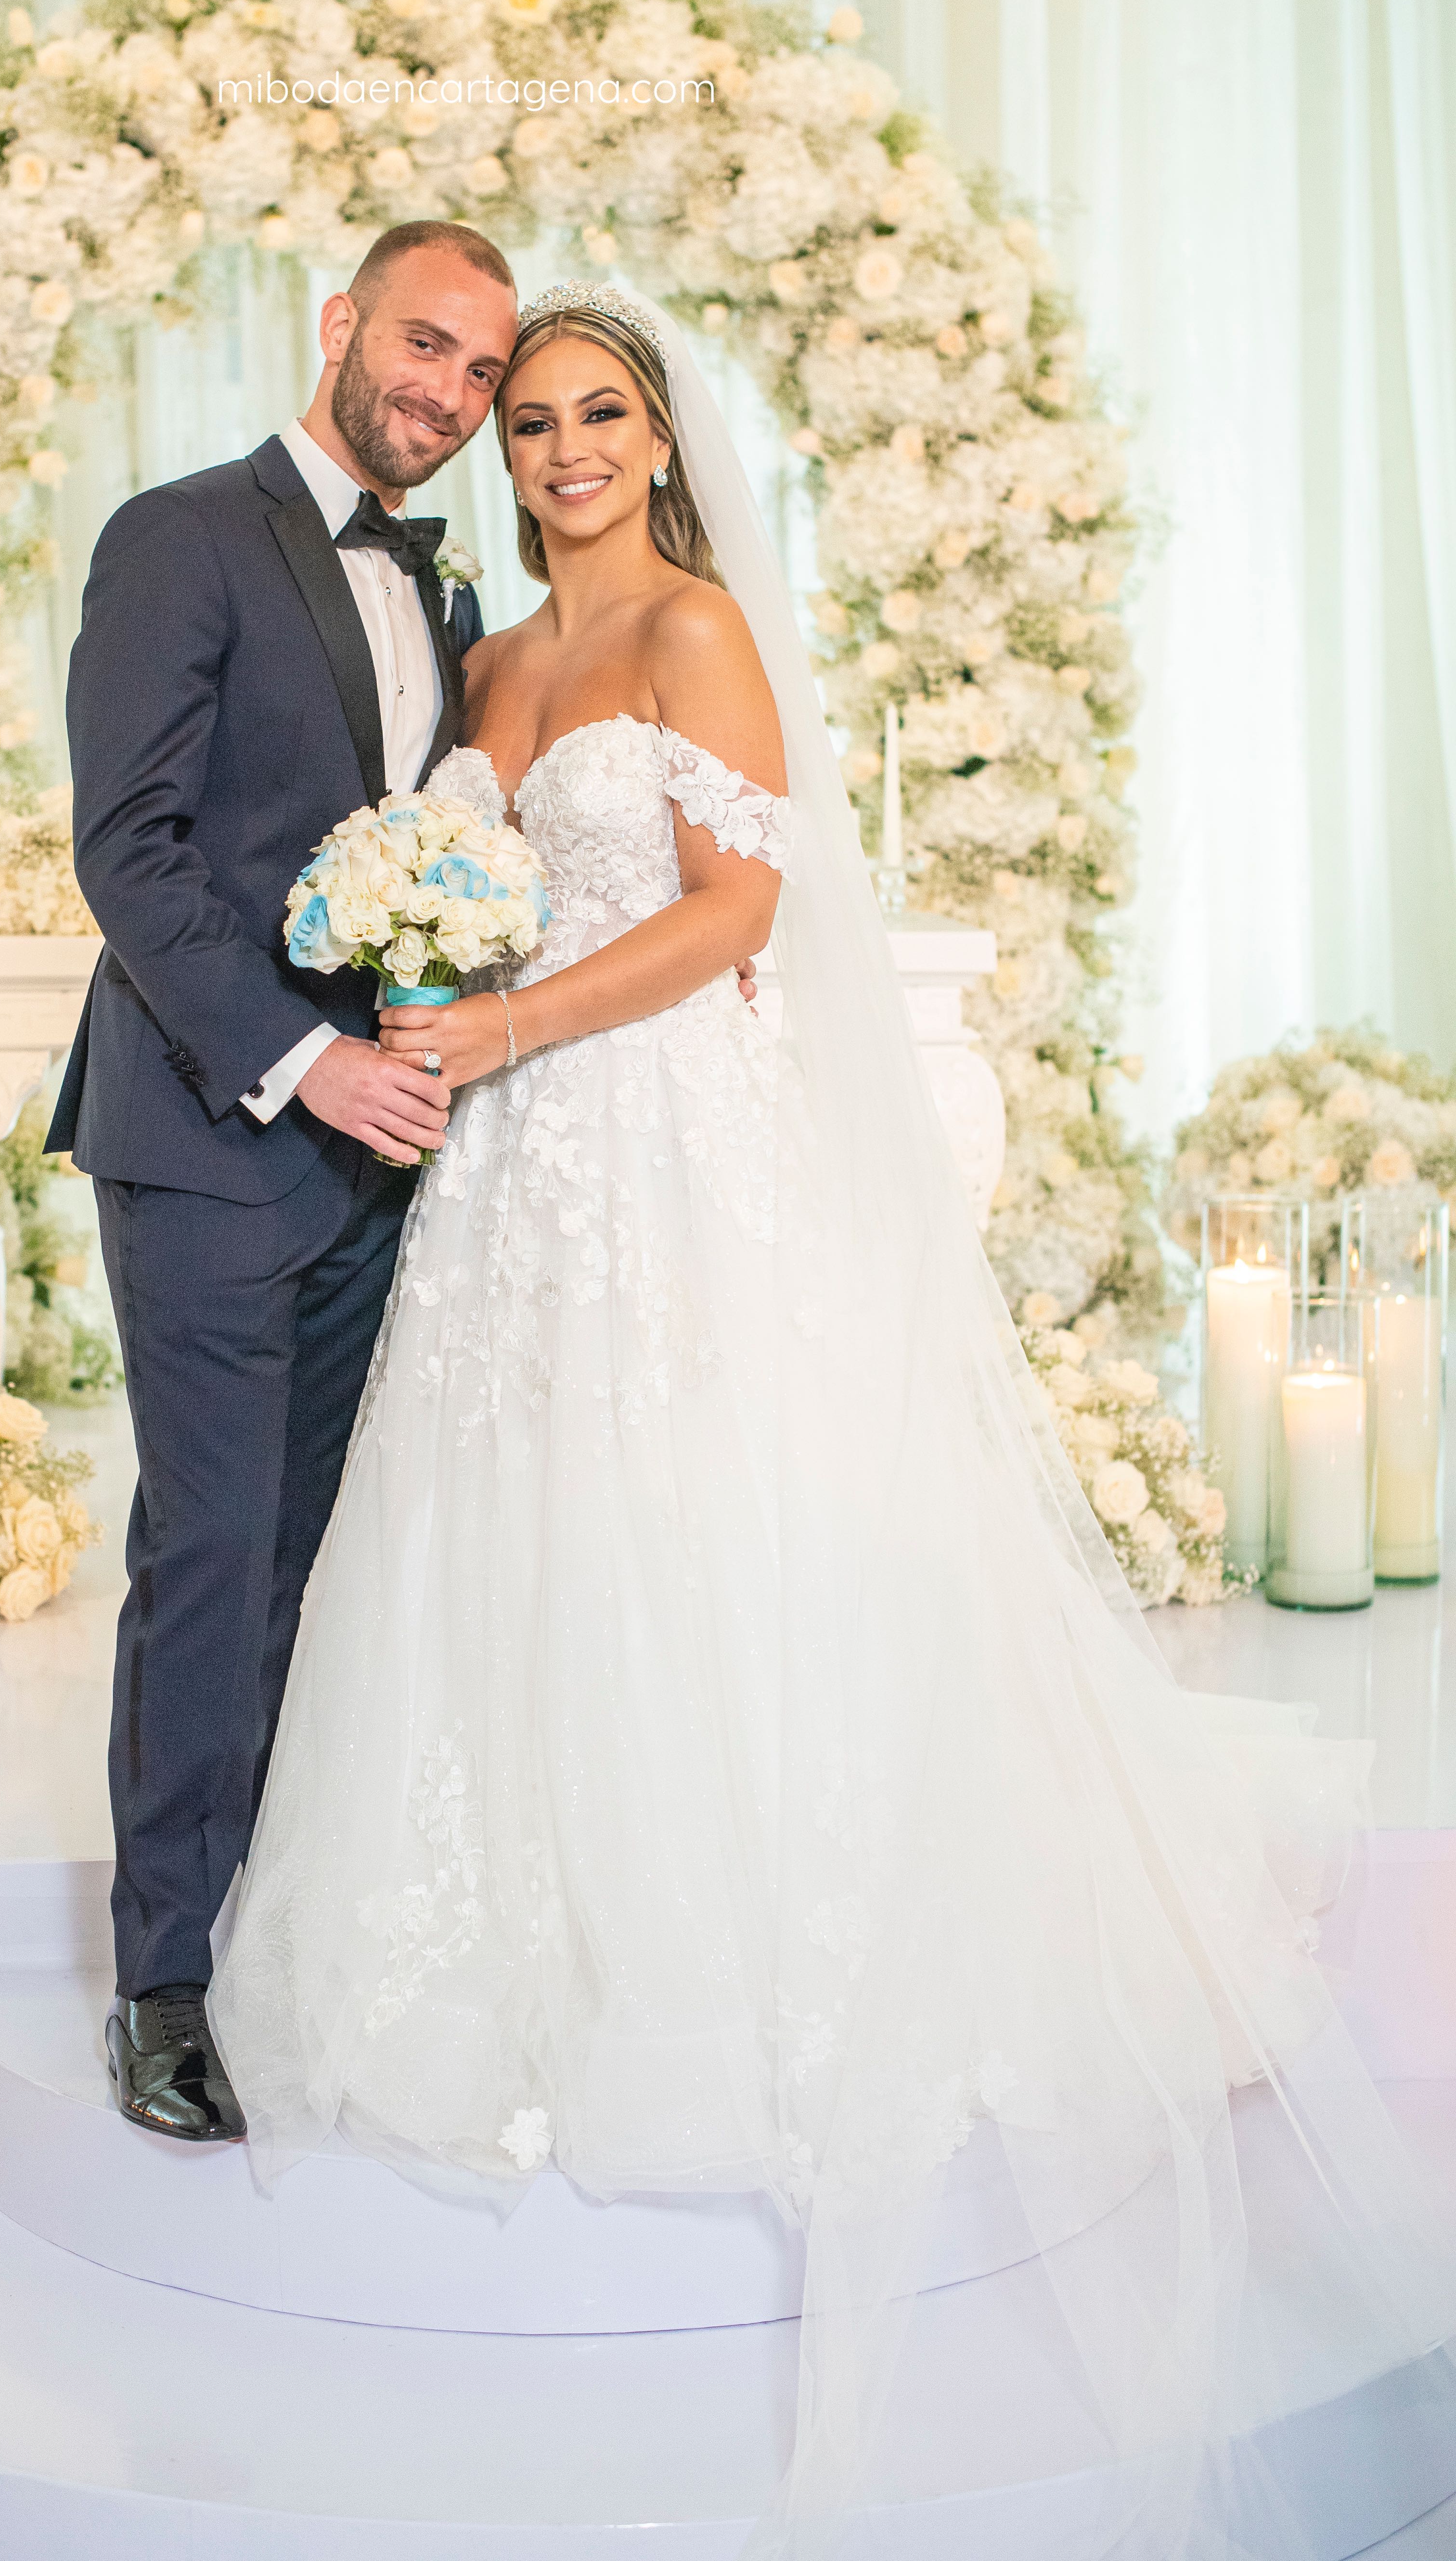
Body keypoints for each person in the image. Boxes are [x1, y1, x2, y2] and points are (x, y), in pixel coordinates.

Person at [208, 284, 1456, 2553]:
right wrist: (429, 986)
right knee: (524, 1513)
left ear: (658, 438)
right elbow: (469, 899)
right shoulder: (492, 663)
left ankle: (741, 1941)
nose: (564, 447)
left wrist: (508, 1029)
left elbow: (734, 916)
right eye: (530, 415)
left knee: (695, 1508)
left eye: (600, 411)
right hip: (511, 1163)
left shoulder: (690, 632)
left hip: (662, 1128)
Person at [49, 219, 516, 2140]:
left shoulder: (452, 587)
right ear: (340, 325)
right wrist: (307, 1059)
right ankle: (161, 1979)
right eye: (424, 343)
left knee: (316, 1560)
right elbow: (131, 849)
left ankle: (274, 1923)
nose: (446, 391)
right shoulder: (180, 537)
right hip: (213, 1136)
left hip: (385, 1162)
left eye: (480, 372)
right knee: (212, 1552)